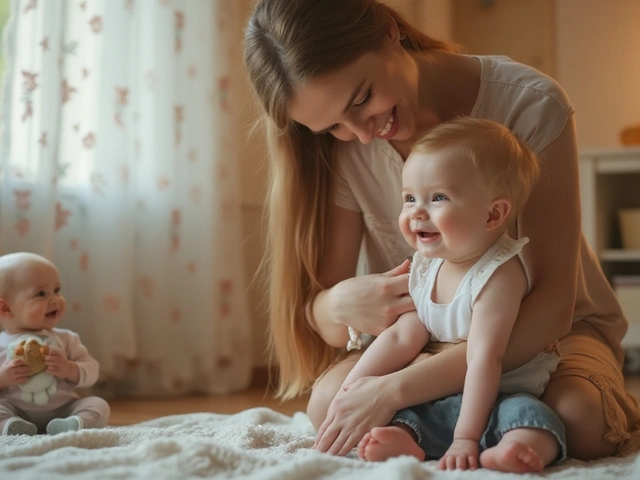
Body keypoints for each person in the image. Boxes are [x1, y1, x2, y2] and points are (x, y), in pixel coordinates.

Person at [242, 0, 640, 461]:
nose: (363, 134)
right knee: (328, 405)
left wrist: (394, 391)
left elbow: (551, 306)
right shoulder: (344, 146)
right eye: (333, 125)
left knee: (579, 421)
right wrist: (339, 303)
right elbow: (324, 318)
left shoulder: (529, 103)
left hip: (545, 337)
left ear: (389, 32)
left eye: (361, 99)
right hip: (421, 336)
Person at [338, 117, 563, 472]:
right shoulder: (428, 267)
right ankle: (405, 441)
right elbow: (400, 336)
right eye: (409, 198)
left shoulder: (499, 275)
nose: (416, 212)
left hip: (503, 389)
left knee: (531, 417)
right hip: (444, 391)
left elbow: (485, 359)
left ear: (493, 214)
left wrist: (465, 439)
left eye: (437, 197)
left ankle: (515, 449)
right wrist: (349, 393)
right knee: (409, 414)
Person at [0, 252, 110, 435]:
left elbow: (92, 370)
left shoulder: (66, 339)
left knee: (98, 404)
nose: (55, 299)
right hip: (14, 409)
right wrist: (2, 378)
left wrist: (69, 369)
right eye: (41, 293)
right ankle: (12, 427)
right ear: (5, 308)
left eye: (57, 290)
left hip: (64, 409)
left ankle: (74, 424)